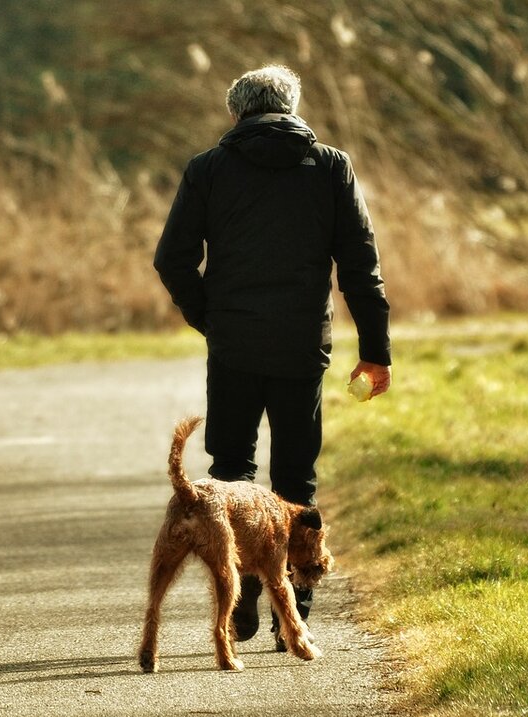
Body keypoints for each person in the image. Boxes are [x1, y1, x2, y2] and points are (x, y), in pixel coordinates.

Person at [153, 64, 392, 647]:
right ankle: (298, 606)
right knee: (295, 477)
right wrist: (375, 350)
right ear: (292, 107)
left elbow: (172, 259)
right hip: (301, 345)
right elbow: (360, 263)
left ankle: (242, 599)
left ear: (237, 114)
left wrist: (208, 317)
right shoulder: (330, 167)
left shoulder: (209, 169)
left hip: (233, 346)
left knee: (230, 470)